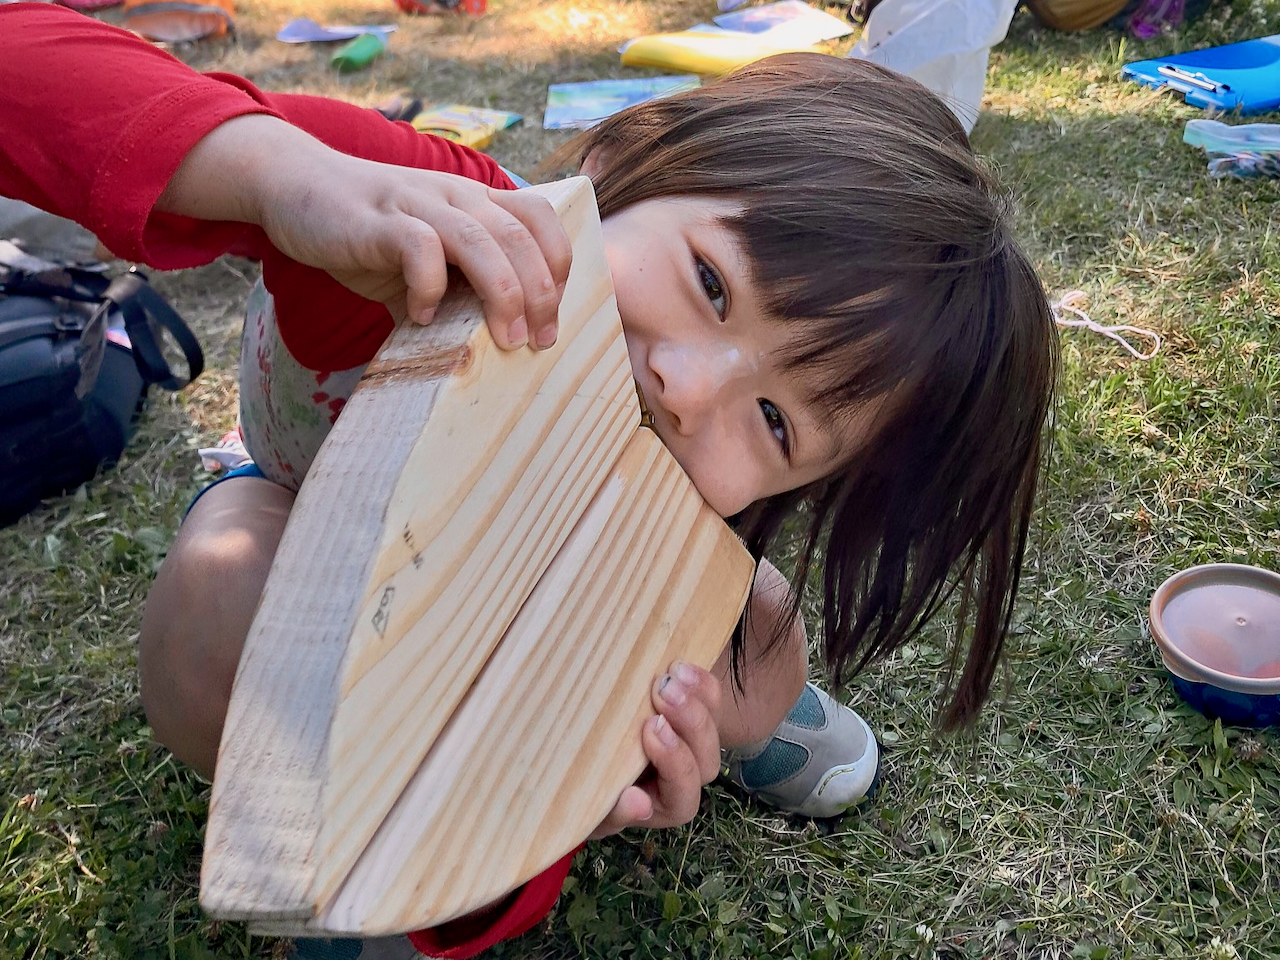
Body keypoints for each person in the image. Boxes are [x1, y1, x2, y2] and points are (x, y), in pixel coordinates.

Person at [1, 4, 1057, 958]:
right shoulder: (429, 216)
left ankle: (742, 728)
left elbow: (546, 753)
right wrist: (287, 175)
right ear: (625, 154)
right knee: (220, 604)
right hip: (301, 500)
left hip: (538, 570)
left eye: (774, 422)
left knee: (753, 640)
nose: (688, 390)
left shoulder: (663, 501)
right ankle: (350, 873)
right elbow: (22, 55)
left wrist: (554, 790)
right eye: (708, 283)